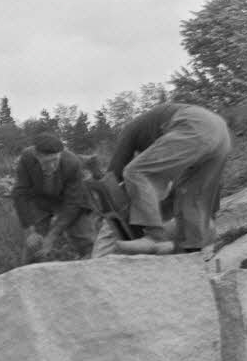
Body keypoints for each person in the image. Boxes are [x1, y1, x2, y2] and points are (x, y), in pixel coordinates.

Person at [91, 101, 231, 257]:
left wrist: (103, 210)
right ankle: (195, 252)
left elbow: (113, 173)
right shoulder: (163, 137)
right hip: (221, 131)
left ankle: (155, 236)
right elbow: (208, 189)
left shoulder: (131, 129)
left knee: (134, 171)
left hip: (194, 124)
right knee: (189, 194)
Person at [12, 131, 96, 262]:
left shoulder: (72, 163)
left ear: (60, 154)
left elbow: (72, 203)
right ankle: (29, 273)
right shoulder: (27, 157)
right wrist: (29, 230)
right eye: (46, 162)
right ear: (36, 156)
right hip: (41, 199)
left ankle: (89, 266)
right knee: (34, 243)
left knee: (86, 241)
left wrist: (52, 236)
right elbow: (19, 193)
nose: (51, 166)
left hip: (70, 199)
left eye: (55, 161)